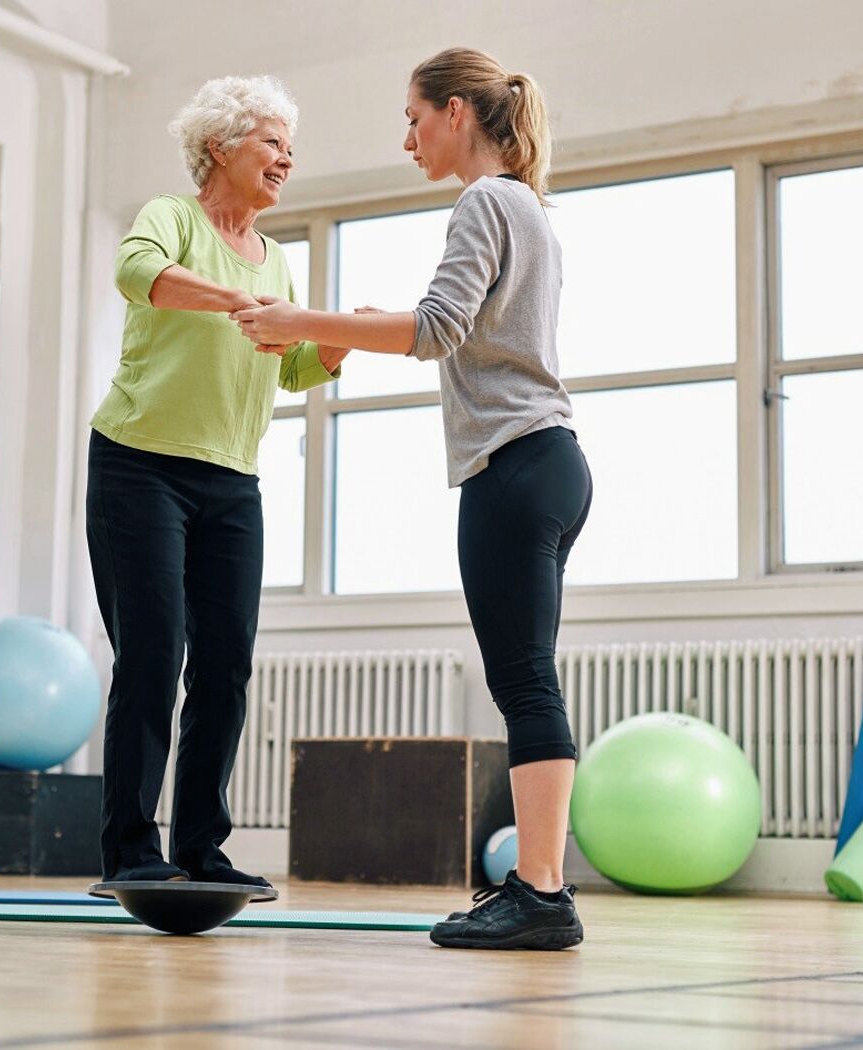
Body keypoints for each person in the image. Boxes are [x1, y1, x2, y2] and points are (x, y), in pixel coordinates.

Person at [233, 48, 591, 950]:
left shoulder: (486, 200)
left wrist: (301, 321)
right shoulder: (531, 209)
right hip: (550, 461)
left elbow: (436, 330)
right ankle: (544, 890)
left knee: (522, 682)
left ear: (460, 111)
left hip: (514, 466)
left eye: (415, 118)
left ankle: (542, 894)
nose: (407, 138)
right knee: (529, 678)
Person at [87, 75, 346, 890]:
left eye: (289, 145)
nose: (286, 157)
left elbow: (293, 366)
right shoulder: (173, 217)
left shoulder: (281, 260)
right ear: (220, 147)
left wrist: (334, 343)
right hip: (139, 466)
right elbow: (140, 274)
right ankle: (131, 850)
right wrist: (240, 301)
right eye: (271, 140)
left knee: (226, 663)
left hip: (232, 482)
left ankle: (202, 847)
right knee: (153, 656)